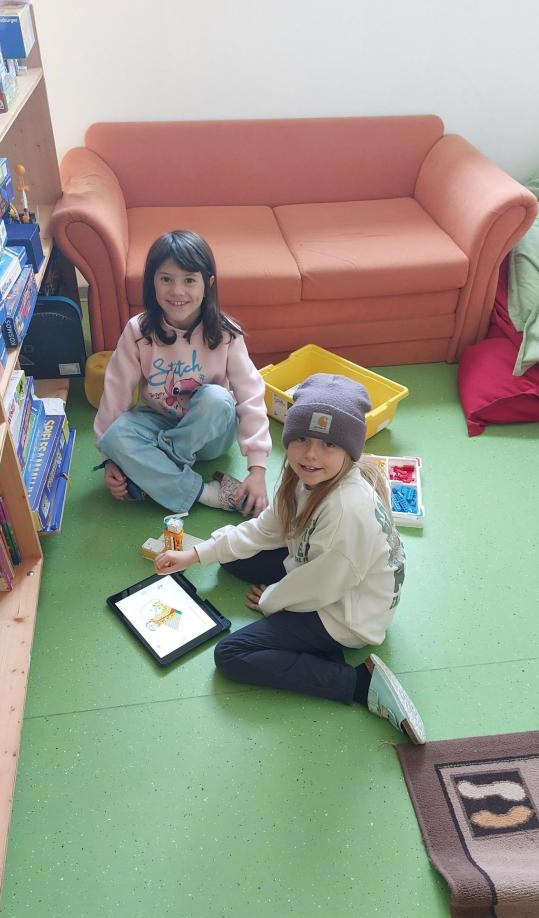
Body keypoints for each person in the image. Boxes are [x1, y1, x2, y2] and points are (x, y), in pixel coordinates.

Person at [155, 373, 425, 744]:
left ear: (349, 450)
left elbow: (319, 588)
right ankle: (313, 649)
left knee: (231, 655)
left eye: (328, 444)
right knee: (232, 558)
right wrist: (195, 554)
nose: (311, 454)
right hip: (327, 569)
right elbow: (266, 529)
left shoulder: (346, 511)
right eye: (302, 439)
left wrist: (273, 600)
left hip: (348, 614)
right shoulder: (304, 477)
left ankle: (357, 683)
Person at [94, 230, 271, 515]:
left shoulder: (226, 333)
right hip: (160, 423)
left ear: (208, 284)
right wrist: (110, 459)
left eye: (189, 280)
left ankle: (158, 469)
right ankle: (205, 493)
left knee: (217, 398)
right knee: (114, 436)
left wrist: (258, 469)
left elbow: (250, 395)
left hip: (211, 432)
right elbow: (116, 394)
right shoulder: (138, 331)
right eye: (166, 279)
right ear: (152, 282)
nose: (177, 291)